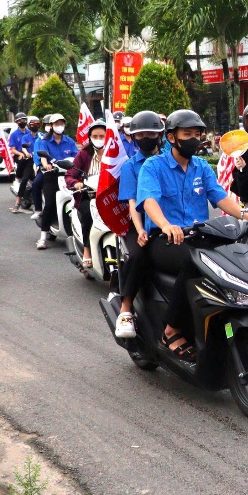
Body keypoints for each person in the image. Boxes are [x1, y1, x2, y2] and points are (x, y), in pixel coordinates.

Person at [136, 109, 248, 362]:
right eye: (187, 134)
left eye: (197, 134)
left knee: (234, 256)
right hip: (166, 240)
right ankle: (172, 330)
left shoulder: (200, 166)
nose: (193, 139)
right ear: (171, 138)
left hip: (199, 236)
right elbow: (149, 201)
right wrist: (166, 225)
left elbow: (220, 197)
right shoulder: (153, 166)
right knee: (195, 262)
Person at [113, 110, 162, 339]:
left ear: (161, 135)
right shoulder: (131, 166)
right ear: (132, 137)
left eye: (150, 134)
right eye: (139, 134)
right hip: (140, 222)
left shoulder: (169, 159)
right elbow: (133, 203)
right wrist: (141, 230)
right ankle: (125, 308)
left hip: (170, 222)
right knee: (139, 255)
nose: (145, 138)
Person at [68, 119, 107, 270]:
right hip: (88, 196)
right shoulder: (83, 154)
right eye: (95, 136)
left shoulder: (114, 154)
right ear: (90, 137)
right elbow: (70, 175)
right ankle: (87, 249)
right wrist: (75, 183)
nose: (98, 139)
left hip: (110, 196)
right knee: (87, 216)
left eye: (102, 136)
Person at [34, 113, 77, 249]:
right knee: (50, 203)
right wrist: (46, 164)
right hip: (52, 176)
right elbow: (43, 157)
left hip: (68, 177)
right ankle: (42, 237)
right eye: (56, 124)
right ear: (51, 126)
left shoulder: (69, 141)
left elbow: (76, 156)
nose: (59, 126)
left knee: (78, 201)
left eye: (61, 123)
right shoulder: (44, 141)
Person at [7, 113, 34, 213]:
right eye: (19, 120)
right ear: (16, 122)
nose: (22, 122)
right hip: (21, 157)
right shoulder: (14, 134)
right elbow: (13, 149)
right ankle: (18, 201)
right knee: (25, 177)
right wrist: (21, 153)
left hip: (32, 158)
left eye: (23, 120)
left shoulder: (31, 133)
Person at [30, 115, 52, 216]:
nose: (50, 127)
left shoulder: (66, 140)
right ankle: (38, 209)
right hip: (46, 169)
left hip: (63, 169)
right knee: (36, 184)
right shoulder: (40, 140)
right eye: (47, 125)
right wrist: (46, 165)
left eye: (51, 124)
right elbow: (38, 157)